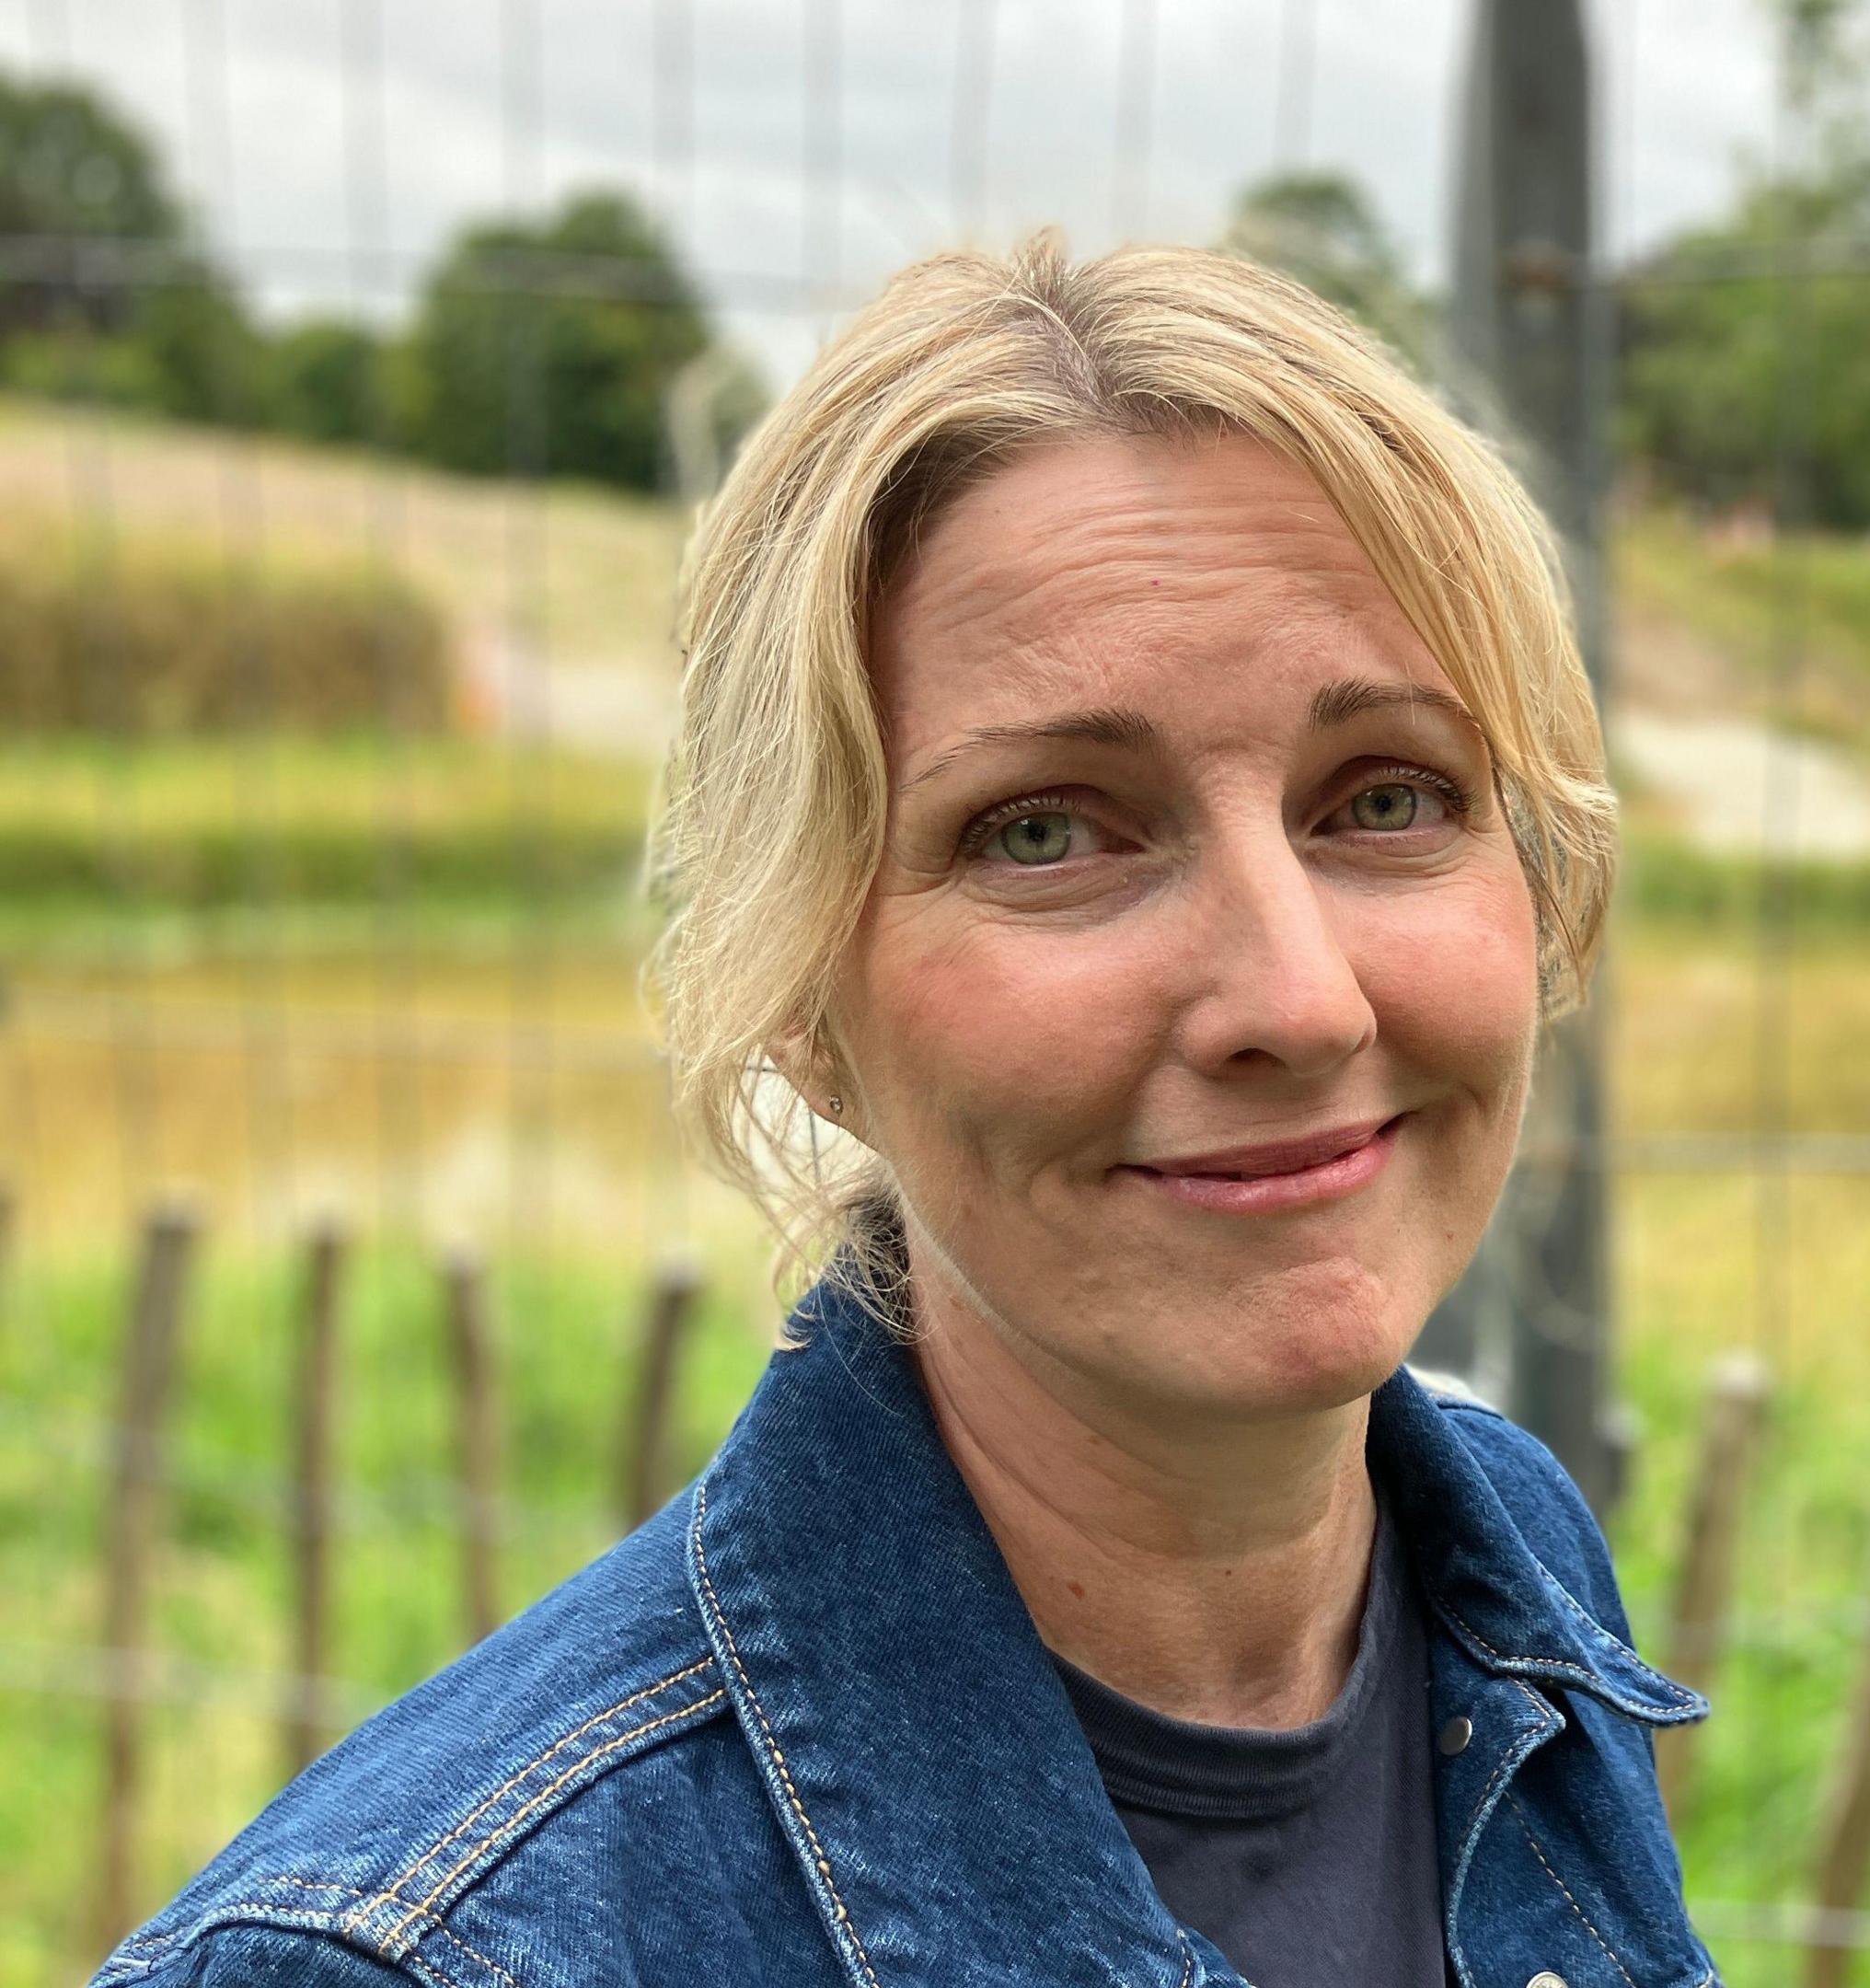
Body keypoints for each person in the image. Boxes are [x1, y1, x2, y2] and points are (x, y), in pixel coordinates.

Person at [95, 236, 1706, 1988]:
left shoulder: (1497, 1573)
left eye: (1388, 795)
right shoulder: (422, 1959)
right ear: (798, 997)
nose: (1300, 1001)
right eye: (1047, 830)